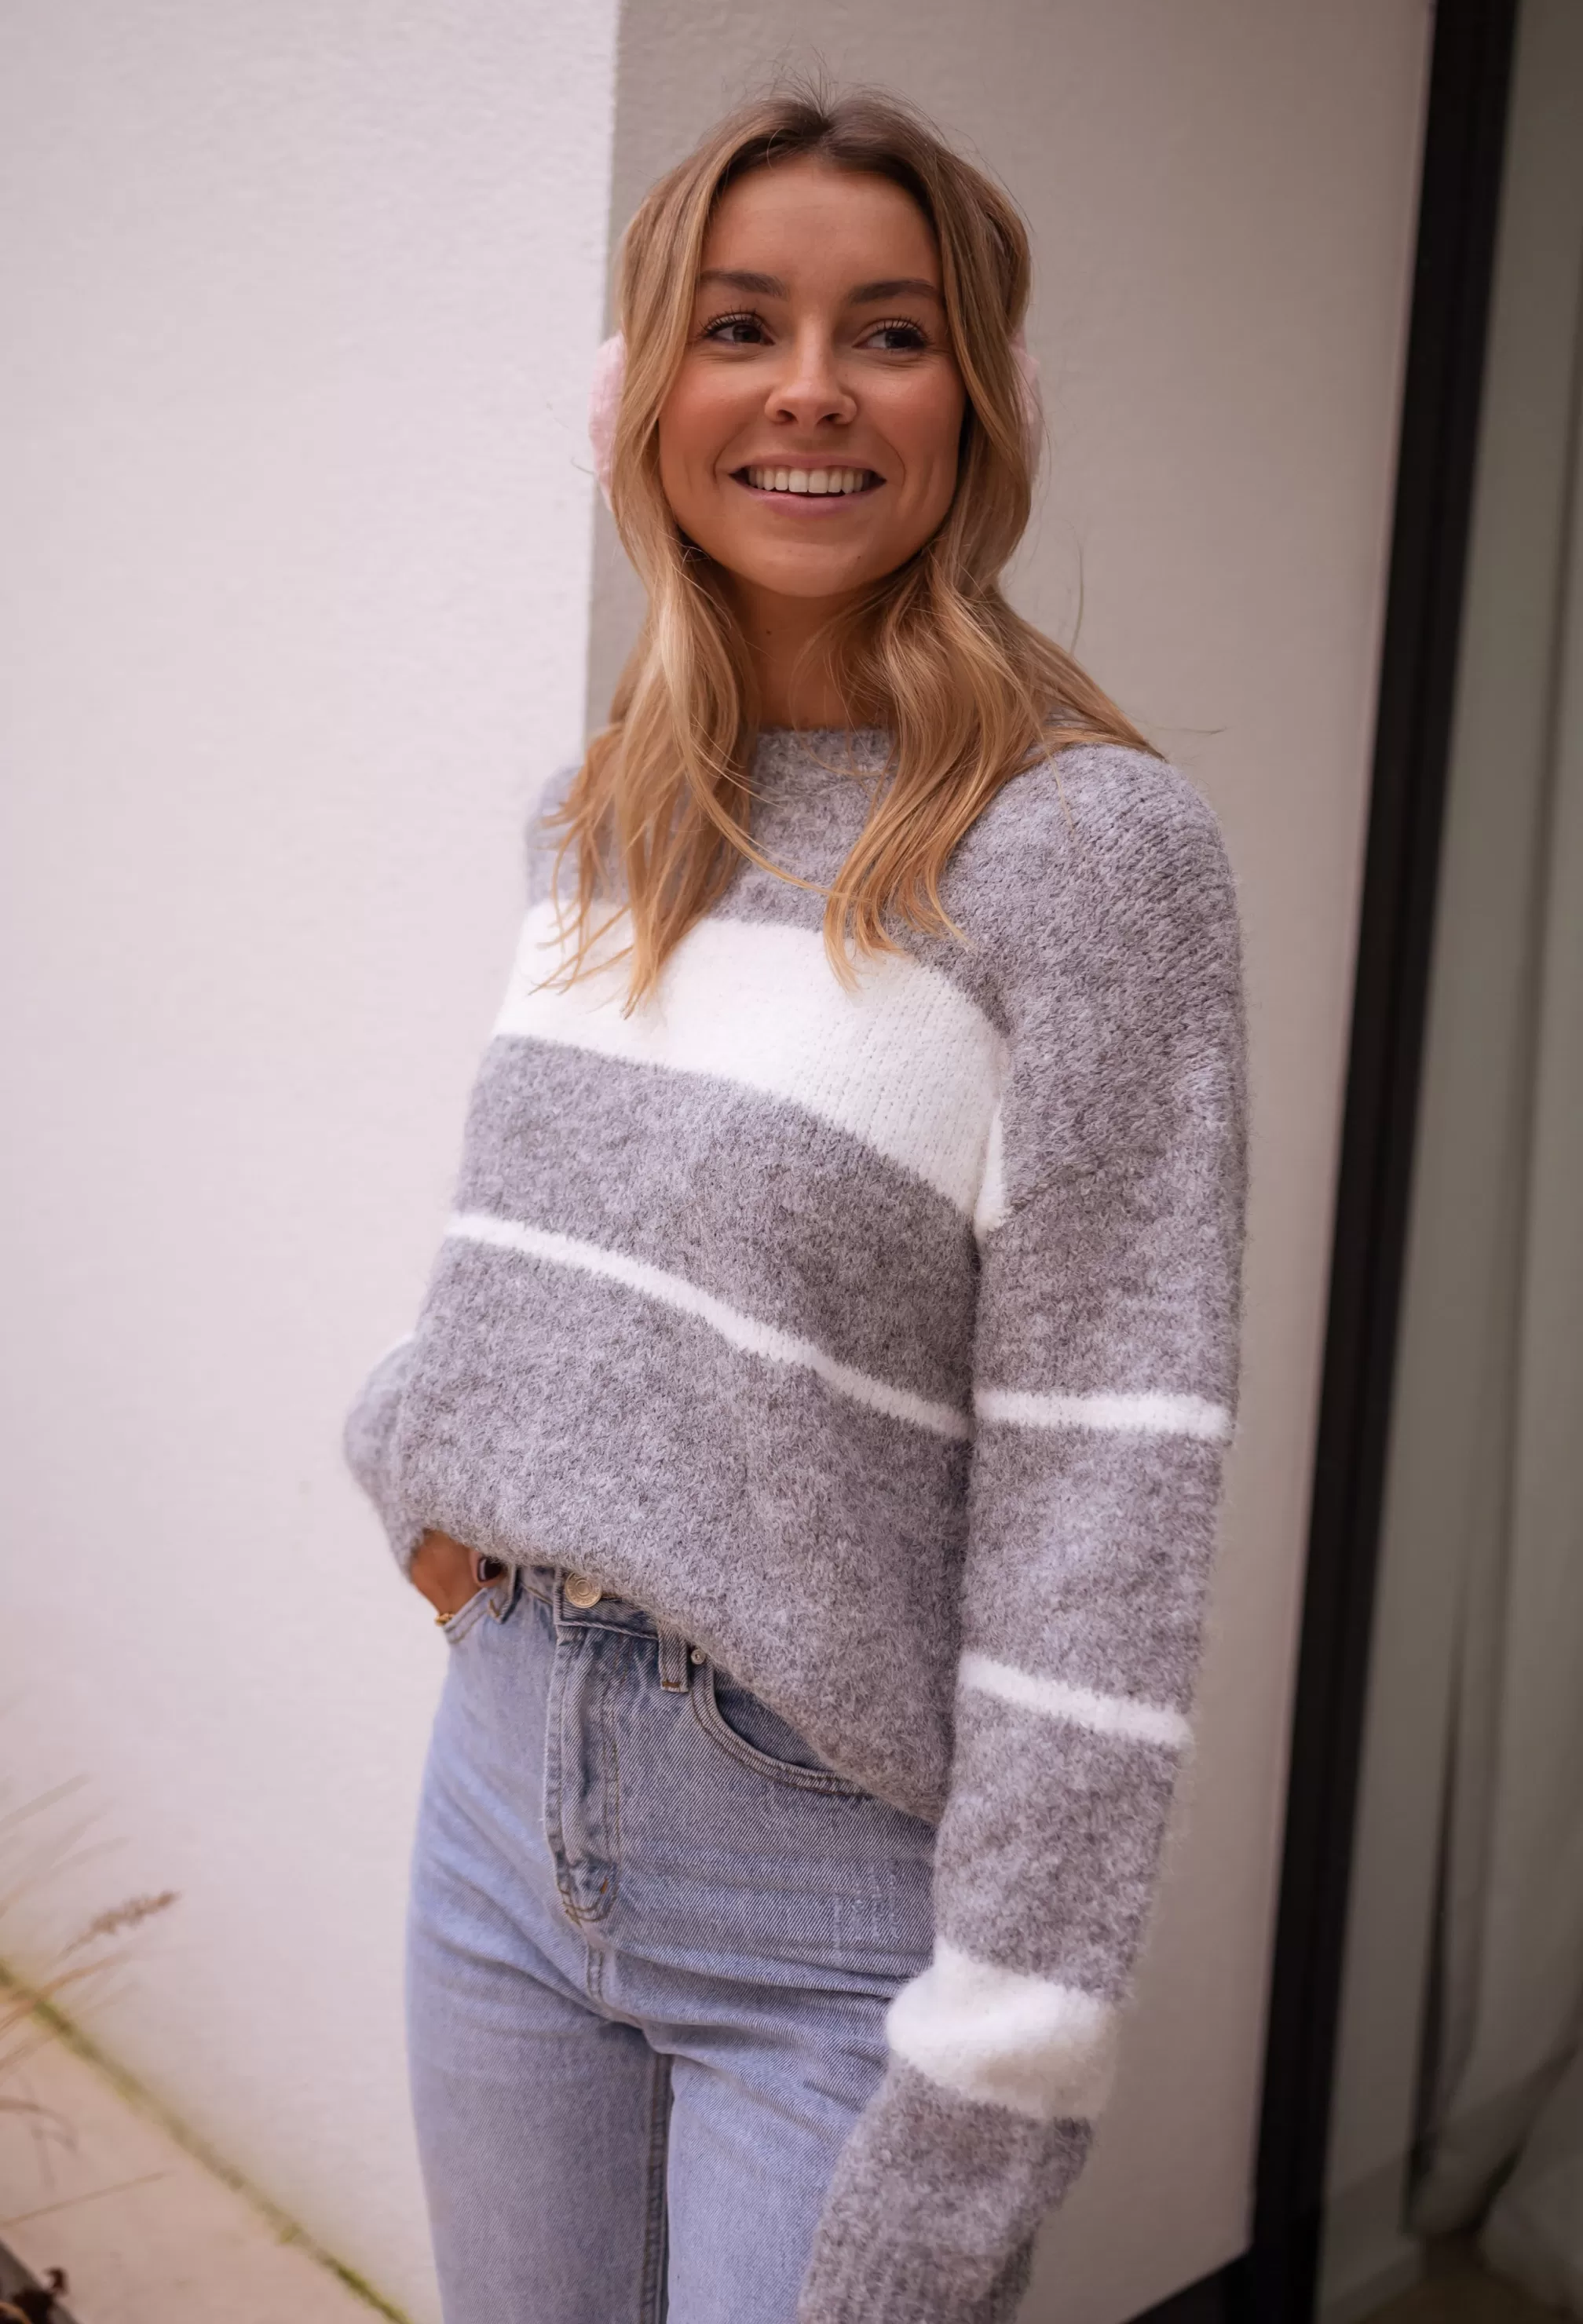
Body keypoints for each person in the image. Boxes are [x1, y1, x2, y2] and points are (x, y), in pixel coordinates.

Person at [342, 77, 1248, 2324]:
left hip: (825, 1894)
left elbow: (1106, 1503)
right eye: (740, 324)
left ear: (979, 403)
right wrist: (423, 1472)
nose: (812, 390)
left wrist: (1002, 2063)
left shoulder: (1088, 857)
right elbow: (547, 1258)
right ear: (641, 394)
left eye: (891, 333)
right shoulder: (605, 818)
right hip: (501, 1801)